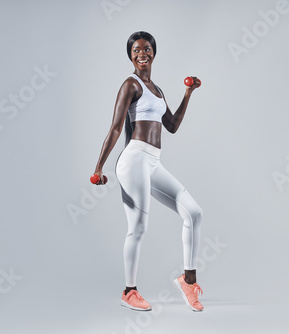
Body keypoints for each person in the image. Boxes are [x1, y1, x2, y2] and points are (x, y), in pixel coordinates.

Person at [92, 31, 204, 312]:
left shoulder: (156, 90)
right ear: (130, 55)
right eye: (136, 50)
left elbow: (173, 125)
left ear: (154, 52)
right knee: (138, 228)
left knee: (194, 213)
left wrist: (188, 93)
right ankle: (129, 292)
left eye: (147, 49)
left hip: (153, 161)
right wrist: (99, 167)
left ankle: (188, 282)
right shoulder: (130, 85)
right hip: (133, 160)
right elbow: (116, 128)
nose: (142, 53)